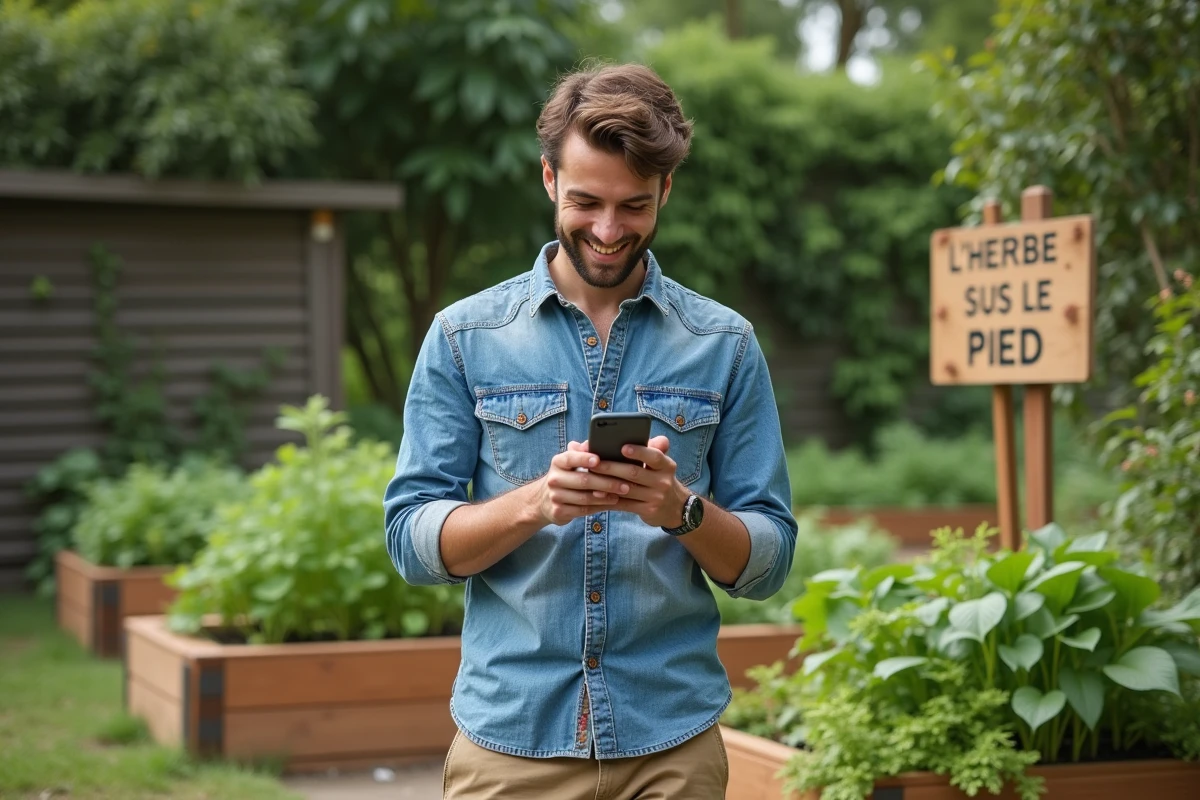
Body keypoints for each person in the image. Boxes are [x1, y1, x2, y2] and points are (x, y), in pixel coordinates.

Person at [384, 63, 797, 799]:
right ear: (548, 179)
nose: (608, 232)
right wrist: (535, 503)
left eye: (633, 206)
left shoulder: (725, 344)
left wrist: (682, 511)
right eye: (586, 202)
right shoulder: (464, 337)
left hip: (672, 744)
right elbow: (411, 541)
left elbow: (767, 562)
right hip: (513, 744)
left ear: (665, 192)